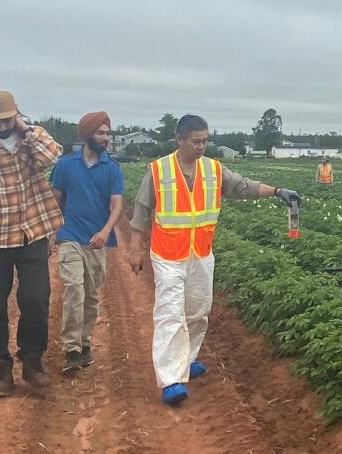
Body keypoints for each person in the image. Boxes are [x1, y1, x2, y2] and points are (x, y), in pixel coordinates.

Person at [127, 114, 301, 405]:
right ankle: (172, 379)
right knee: (170, 313)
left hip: (200, 253)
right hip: (168, 254)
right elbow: (142, 209)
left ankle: (188, 358)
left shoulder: (213, 170)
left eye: (205, 141)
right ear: (180, 139)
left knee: (198, 310)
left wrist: (277, 191)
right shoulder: (158, 170)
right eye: (196, 141)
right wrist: (134, 247)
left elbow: (242, 186)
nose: (201, 147)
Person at [0, 90, 63, 398]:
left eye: (6, 119)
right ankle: (1, 369)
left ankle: (32, 363)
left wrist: (25, 129)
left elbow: (52, 156)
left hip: (32, 232)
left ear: (15, 115)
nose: (1, 126)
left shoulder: (31, 138)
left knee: (36, 299)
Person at [50, 111, 124, 373]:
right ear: (86, 134)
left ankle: (84, 343)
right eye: (100, 132)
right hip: (69, 235)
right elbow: (55, 199)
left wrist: (105, 231)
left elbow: (117, 205)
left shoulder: (112, 168)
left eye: (107, 133)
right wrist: (51, 233)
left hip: (96, 241)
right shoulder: (65, 165)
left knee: (91, 296)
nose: (105, 138)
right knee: (74, 289)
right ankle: (71, 349)